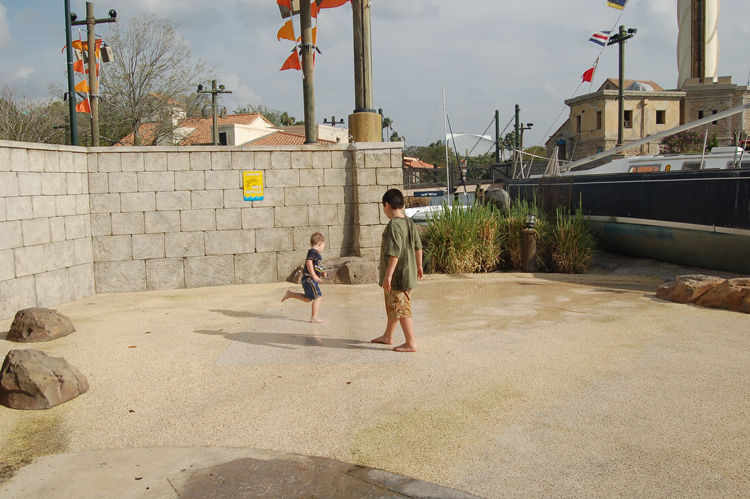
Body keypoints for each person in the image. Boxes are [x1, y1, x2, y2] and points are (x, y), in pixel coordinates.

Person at [371, 189, 423, 352]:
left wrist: (388, 276)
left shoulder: (394, 225)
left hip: (398, 277)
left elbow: (394, 252)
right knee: (396, 305)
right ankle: (388, 336)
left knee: (402, 309)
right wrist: (419, 266)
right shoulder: (408, 222)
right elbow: (418, 246)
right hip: (409, 274)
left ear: (386, 205)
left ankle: (410, 343)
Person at [282, 233, 327, 323]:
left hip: (308, 278)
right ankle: (314, 317)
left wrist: (320, 273)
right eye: (324, 245)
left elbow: (314, 267)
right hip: (310, 278)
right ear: (320, 244)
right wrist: (314, 276)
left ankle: (291, 294)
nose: (323, 247)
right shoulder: (313, 252)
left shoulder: (315, 254)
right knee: (318, 296)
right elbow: (308, 262)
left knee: (308, 299)